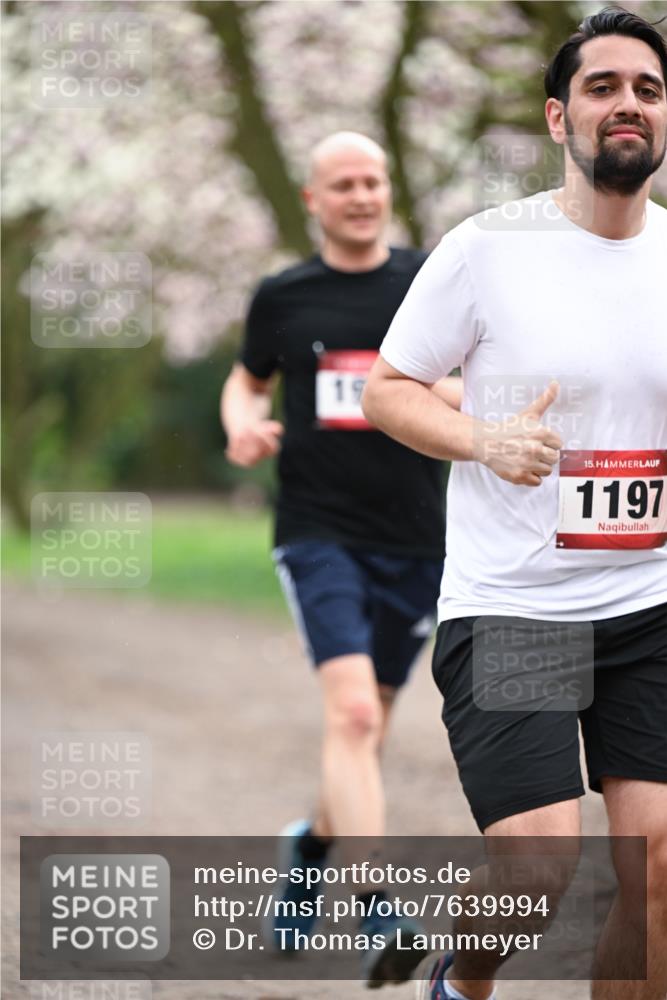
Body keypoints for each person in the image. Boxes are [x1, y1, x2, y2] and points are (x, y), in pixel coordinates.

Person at [362, 9, 667, 1000]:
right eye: (602, 86)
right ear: (556, 117)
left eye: (648, 89)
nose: (627, 103)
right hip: (519, 603)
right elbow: (389, 388)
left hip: (648, 604)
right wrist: (485, 439)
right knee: (538, 869)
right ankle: (461, 977)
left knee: (657, 870)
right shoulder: (488, 249)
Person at [221, 131, 461, 987]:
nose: (361, 195)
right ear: (314, 198)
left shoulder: (428, 282)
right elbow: (248, 377)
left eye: (373, 180)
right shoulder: (284, 296)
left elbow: (466, 379)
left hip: (415, 541)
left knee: (364, 730)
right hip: (317, 533)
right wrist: (240, 423)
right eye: (343, 184)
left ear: (386, 190)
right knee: (353, 718)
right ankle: (376, 905)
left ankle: (309, 848)